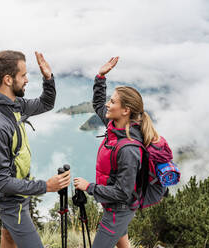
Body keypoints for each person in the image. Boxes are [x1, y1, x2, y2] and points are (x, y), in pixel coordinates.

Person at [0, 50, 71, 248]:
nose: (27, 80)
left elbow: (46, 104)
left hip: (18, 188)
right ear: (8, 80)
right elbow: (0, 182)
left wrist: (48, 78)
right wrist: (46, 186)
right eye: (23, 75)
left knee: (9, 238)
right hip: (10, 198)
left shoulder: (13, 105)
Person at [74, 57, 160, 248]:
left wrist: (89, 187)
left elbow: (123, 191)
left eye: (112, 101)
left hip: (118, 209)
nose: (107, 104)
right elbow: (98, 104)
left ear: (125, 111)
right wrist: (100, 77)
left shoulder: (129, 149)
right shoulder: (115, 128)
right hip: (114, 206)